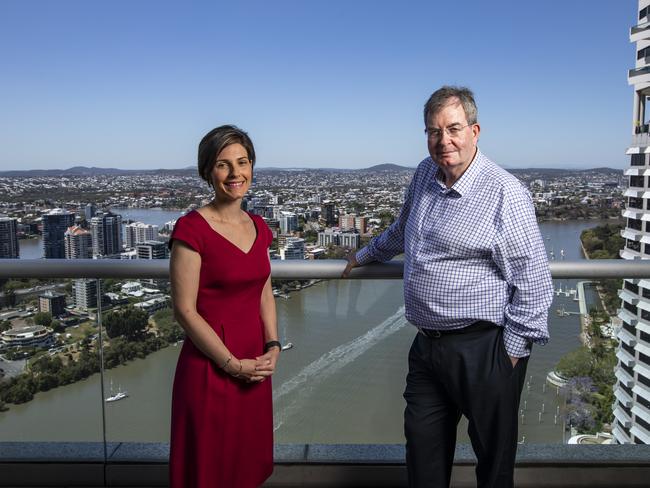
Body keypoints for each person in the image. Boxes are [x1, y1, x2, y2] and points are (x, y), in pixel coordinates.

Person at [343, 86, 553, 488]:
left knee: (493, 466)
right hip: (427, 348)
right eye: (434, 131)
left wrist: (509, 354)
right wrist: (366, 254)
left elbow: (534, 281)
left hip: (484, 348)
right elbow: (404, 229)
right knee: (422, 458)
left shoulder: (505, 193)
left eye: (454, 129)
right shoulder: (424, 172)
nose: (444, 141)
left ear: (475, 131)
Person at [168, 125, 280, 487]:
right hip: (211, 368)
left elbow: (263, 289)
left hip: (254, 365)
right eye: (223, 165)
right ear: (207, 172)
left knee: (246, 468)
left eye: (243, 162)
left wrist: (273, 345)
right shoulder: (191, 230)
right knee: (210, 470)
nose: (235, 174)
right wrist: (232, 365)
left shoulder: (259, 227)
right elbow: (185, 310)